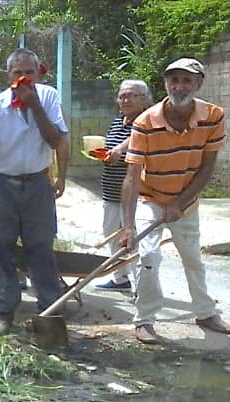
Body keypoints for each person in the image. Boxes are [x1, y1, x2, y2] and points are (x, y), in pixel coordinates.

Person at [122, 57, 230, 344]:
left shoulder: (214, 116)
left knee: (193, 259)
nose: (179, 86)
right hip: (150, 197)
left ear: (198, 84)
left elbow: (207, 168)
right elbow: (132, 176)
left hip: (186, 200)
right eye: (174, 80)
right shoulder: (145, 122)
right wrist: (128, 226)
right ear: (165, 83)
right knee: (148, 257)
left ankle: (206, 313)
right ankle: (144, 319)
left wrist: (179, 203)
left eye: (186, 80)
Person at [0, 48, 70, 335]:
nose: (24, 78)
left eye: (29, 72)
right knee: (0, 246)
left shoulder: (49, 97)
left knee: (40, 246)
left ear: (38, 72)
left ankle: (50, 309)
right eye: (17, 73)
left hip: (38, 183)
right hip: (2, 184)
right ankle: (3, 311)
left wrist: (35, 106)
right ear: (8, 77)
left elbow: (55, 140)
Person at [94, 79, 153, 292]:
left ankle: (142, 287)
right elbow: (114, 149)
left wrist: (118, 149)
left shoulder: (148, 121)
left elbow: (135, 139)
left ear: (144, 100)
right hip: (111, 190)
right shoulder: (119, 120)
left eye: (131, 95)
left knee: (134, 239)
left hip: (134, 194)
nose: (125, 99)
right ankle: (120, 279)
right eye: (122, 96)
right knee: (111, 234)